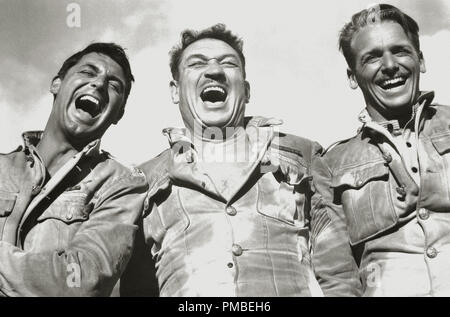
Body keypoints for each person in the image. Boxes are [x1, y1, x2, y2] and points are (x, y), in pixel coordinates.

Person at [138, 24, 324, 296]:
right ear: (175, 91)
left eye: (228, 63)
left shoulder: (302, 153)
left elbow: (336, 267)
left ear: (246, 90)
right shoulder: (142, 180)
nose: (214, 71)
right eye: (197, 63)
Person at [311, 4, 450, 296]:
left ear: (420, 60)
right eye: (372, 57)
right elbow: (337, 277)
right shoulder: (331, 167)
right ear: (352, 77)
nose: (389, 65)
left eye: (400, 51)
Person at [0, 43, 148, 296]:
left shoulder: (121, 184)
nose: (99, 84)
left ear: (119, 114)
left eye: (114, 85)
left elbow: (80, 280)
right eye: (88, 73)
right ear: (56, 84)